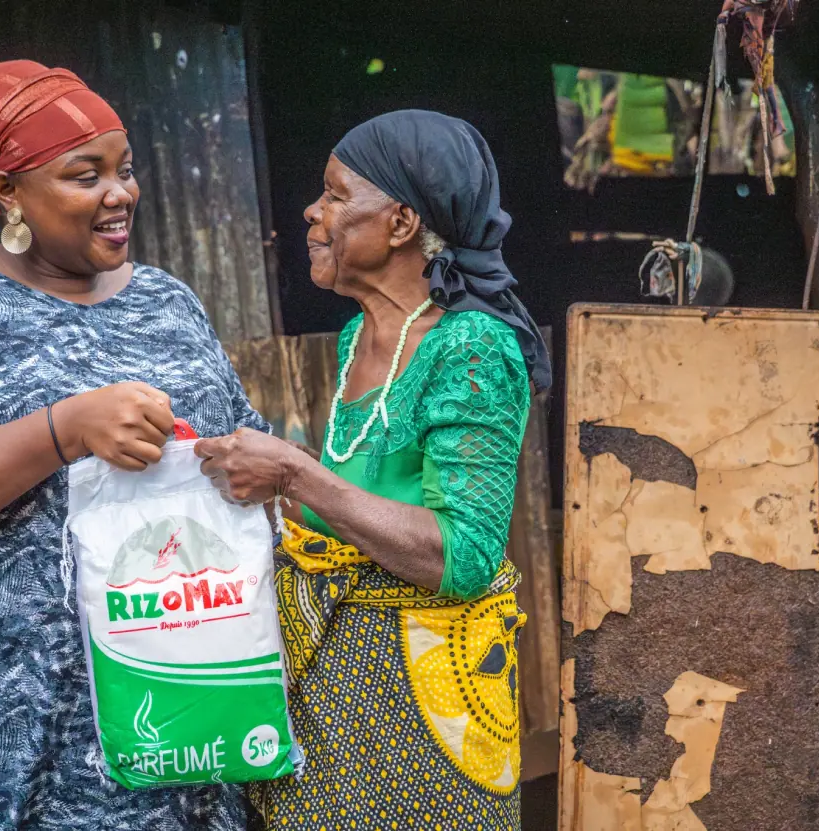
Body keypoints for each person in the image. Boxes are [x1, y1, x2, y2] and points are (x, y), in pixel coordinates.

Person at [0, 60, 259, 829]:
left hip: (177, 717)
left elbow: (237, 456)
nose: (121, 194)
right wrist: (63, 427)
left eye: (126, 169)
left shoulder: (169, 302)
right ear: (7, 191)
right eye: (86, 175)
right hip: (4, 727)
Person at [193, 109, 551, 830]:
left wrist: (294, 473)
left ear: (400, 222)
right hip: (338, 696)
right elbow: (356, 508)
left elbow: (464, 553)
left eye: (333, 194)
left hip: (426, 707)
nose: (312, 211)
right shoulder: (362, 333)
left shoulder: (472, 346)